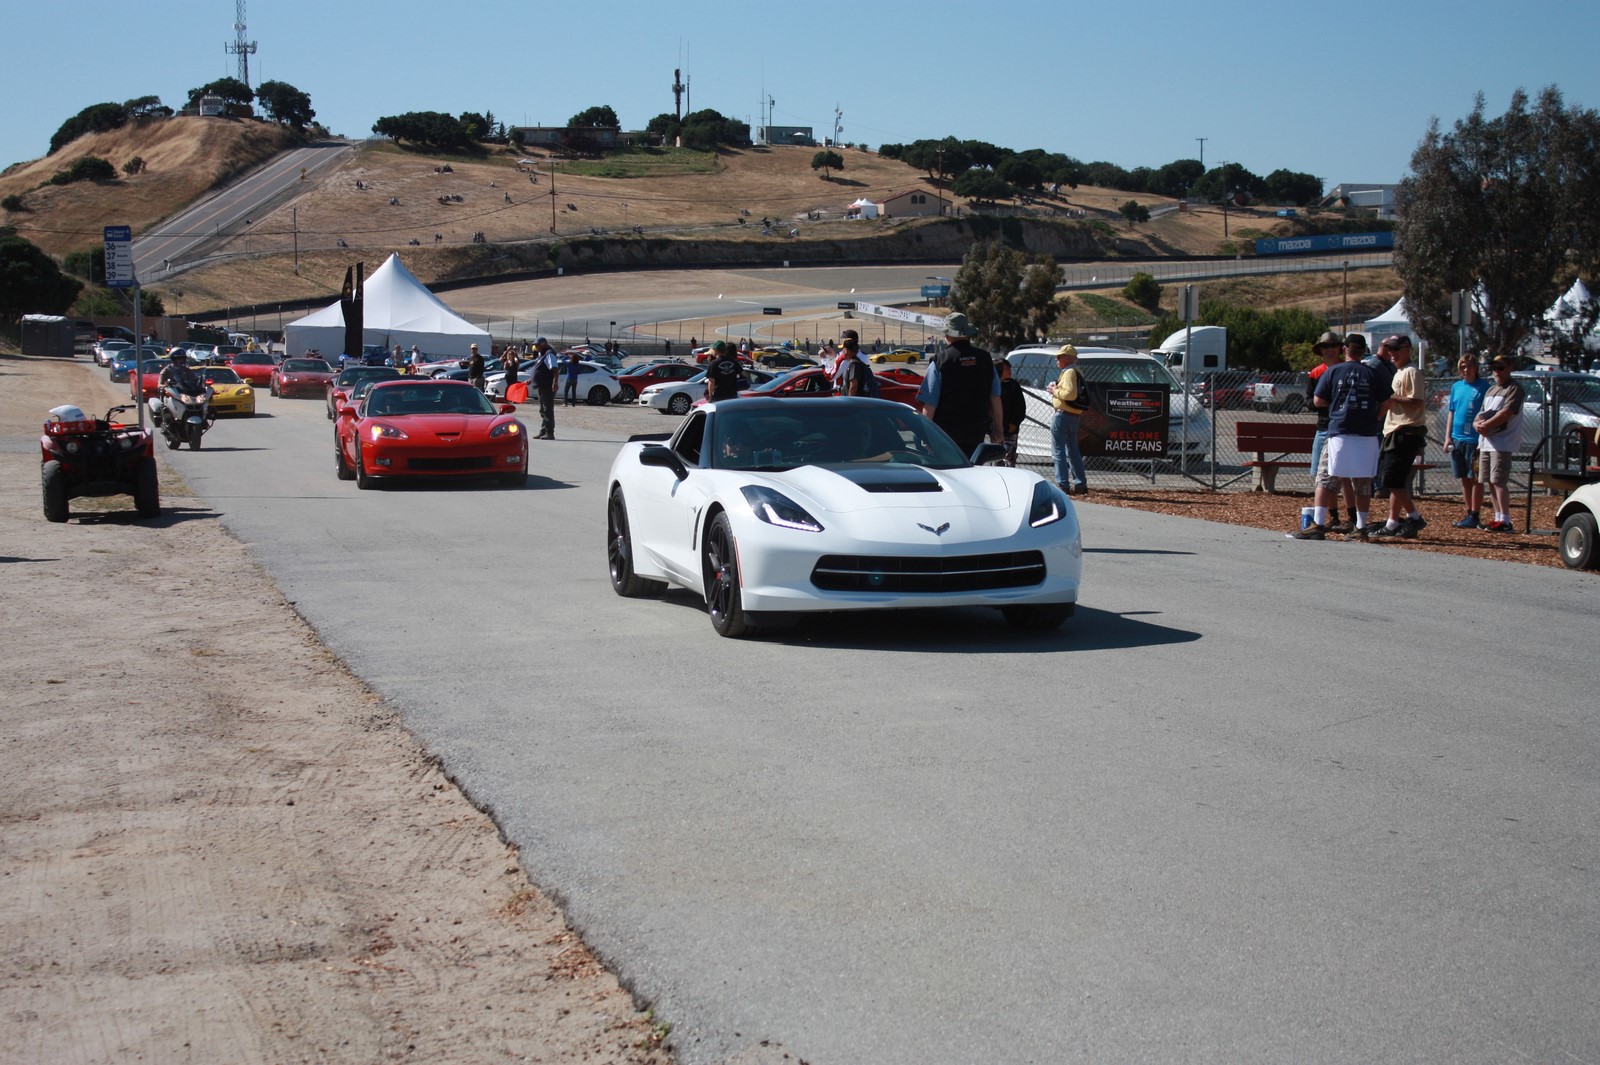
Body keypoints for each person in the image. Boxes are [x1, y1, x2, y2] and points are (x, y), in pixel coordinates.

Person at [1293, 335, 1392, 540]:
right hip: (1366, 433)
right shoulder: (1372, 373)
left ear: (1345, 349)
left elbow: (1318, 400)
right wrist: (1375, 417)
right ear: (1364, 350)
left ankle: (1319, 524)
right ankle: (1361, 527)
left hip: (1340, 431)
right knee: (1363, 481)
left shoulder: (1334, 371)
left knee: (1326, 477)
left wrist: (1338, 402)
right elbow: (1387, 400)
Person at [917, 312, 1002, 458]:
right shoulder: (985, 359)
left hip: (945, 434)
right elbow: (995, 398)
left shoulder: (940, 361)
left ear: (948, 336)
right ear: (967, 334)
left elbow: (930, 404)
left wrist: (926, 435)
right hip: (976, 430)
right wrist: (998, 429)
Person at [1370, 336, 1429, 539]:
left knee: (1392, 480)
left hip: (1406, 432)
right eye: (1389, 349)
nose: (1392, 353)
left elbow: (1417, 403)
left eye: (1396, 349)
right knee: (1396, 481)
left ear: (1408, 350)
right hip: (1393, 431)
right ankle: (1392, 522)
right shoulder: (1399, 372)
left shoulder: (1412, 372)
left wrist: (1391, 396)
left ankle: (1414, 517)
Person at [1306, 332, 1354, 532]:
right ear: (1321, 351)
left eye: (1333, 346)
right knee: (1323, 476)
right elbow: (1310, 402)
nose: (1329, 350)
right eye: (1325, 347)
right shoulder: (1316, 373)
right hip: (1324, 427)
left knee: (1346, 476)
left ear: (1340, 349)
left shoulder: (1347, 370)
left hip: (1343, 428)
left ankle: (1352, 516)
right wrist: (1328, 402)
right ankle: (1333, 517)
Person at [1473, 357, 1525, 533]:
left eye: (1501, 368)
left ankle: (1506, 520)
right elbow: (1480, 414)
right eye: (1494, 368)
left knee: (1499, 480)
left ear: (1509, 367)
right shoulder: (1491, 390)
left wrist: (1486, 425)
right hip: (1486, 442)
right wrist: (1477, 425)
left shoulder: (1514, 389)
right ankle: (1497, 518)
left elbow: (1506, 413)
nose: (1497, 371)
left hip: (1502, 442)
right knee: (1489, 480)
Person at [1444, 354, 1489, 528]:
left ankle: (1475, 514)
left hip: (1475, 440)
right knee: (1463, 478)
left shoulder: (1484, 387)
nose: (1466, 370)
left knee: (1476, 479)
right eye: (1463, 367)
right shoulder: (1456, 387)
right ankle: (1468, 511)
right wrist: (1448, 437)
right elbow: (1452, 412)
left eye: (1469, 366)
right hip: (1458, 439)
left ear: (1476, 368)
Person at [1046, 344, 1088, 494]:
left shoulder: (1069, 372)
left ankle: (1063, 485)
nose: (1057, 359)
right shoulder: (1075, 372)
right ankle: (1080, 484)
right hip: (1073, 416)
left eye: (1060, 356)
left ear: (1068, 358)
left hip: (1063, 415)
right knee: (1073, 451)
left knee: (1058, 451)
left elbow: (1070, 395)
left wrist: (1054, 390)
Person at [530, 338, 561, 438]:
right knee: (542, 410)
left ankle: (549, 432)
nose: (536, 346)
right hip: (542, 387)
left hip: (547, 386)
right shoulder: (542, 355)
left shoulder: (549, 354)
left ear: (543, 344)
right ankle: (544, 431)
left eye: (537, 344)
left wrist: (554, 383)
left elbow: (555, 369)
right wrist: (530, 380)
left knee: (547, 410)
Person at [997, 357, 1025, 467]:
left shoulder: (1013, 385)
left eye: (1010, 368)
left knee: (1009, 457)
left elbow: (1020, 407)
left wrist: (1014, 422)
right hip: (997, 428)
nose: (1009, 371)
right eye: (1006, 369)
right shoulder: (993, 385)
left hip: (1010, 428)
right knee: (996, 455)